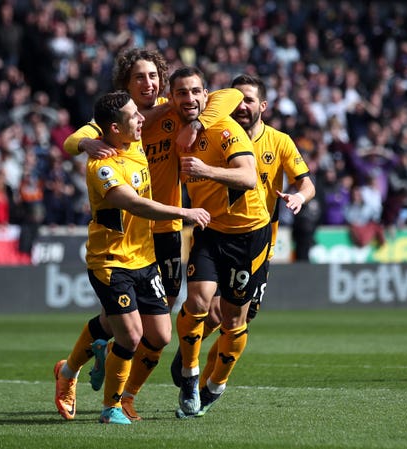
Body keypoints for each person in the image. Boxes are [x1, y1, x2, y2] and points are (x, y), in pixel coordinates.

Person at [55, 48, 242, 421]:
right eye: (139, 77)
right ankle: (88, 377)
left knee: (154, 327)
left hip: (167, 230)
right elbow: (70, 142)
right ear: (126, 83)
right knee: (129, 322)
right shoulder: (118, 117)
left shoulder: (176, 106)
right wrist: (87, 142)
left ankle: (120, 384)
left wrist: (195, 124)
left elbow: (230, 94)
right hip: (130, 233)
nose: (149, 83)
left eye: (154, 76)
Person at [170, 74, 315, 397]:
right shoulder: (221, 130)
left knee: (236, 317)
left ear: (262, 105)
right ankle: (191, 365)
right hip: (216, 229)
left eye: (249, 100)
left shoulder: (279, 141)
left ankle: (209, 380)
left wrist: (299, 197)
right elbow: (216, 98)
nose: (242, 106)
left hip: (258, 240)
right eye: (238, 100)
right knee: (204, 301)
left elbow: (307, 182)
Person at [167, 67, 272, 418]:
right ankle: (190, 374)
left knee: (233, 320)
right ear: (173, 98)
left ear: (206, 95)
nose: (190, 99)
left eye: (197, 92)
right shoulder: (171, 121)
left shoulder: (226, 129)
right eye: (182, 93)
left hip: (248, 234)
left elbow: (247, 177)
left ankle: (216, 385)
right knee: (196, 301)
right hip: (210, 228)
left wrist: (205, 170)